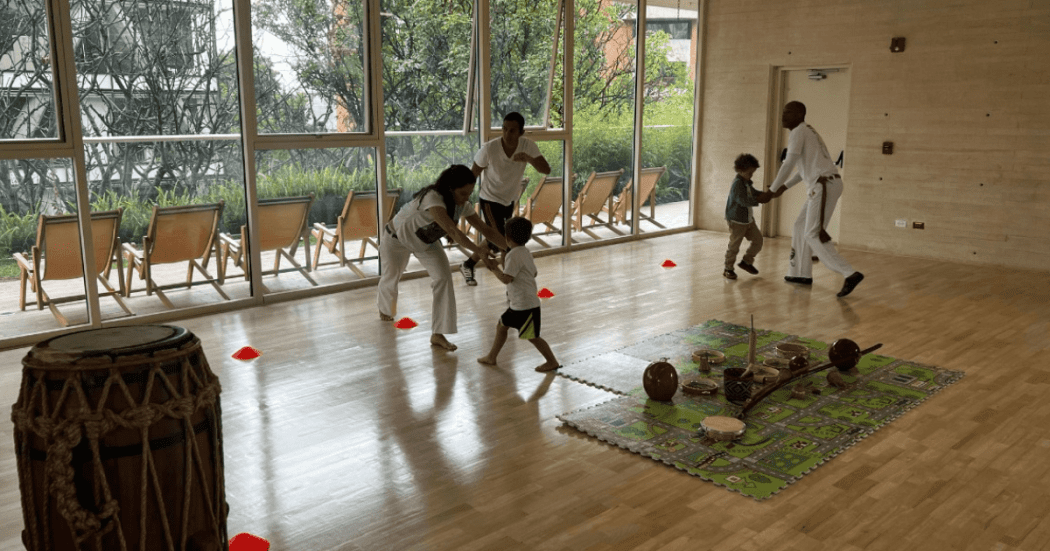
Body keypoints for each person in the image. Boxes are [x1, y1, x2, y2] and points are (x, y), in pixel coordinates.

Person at [377, 165, 507, 351]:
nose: (466, 198)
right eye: (463, 193)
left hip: (425, 243)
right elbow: (453, 231)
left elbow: (486, 230)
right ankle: (385, 308)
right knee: (391, 277)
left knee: (444, 278)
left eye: (469, 193)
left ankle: (438, 334)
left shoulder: (462, 205)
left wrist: (510, 249)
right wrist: (480, 251)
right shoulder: (433, 198)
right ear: (450, 188)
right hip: (395, 239)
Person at [768, 101, 864, 297]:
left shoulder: (799, 132)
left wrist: (771, 190)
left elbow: (788, 164)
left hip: (823, 185)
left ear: (799, 114)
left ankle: (849, 273)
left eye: (788, 112)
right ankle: (800, 273)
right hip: (823, 184)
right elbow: (802, 170)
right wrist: (783, 188)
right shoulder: (807, 132)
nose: (783, 116)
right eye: (783, 112)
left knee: (812, 234)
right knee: (799, 226)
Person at [460, 112, 551, 286]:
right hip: (489, 198)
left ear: (521, 132)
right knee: (502, 242)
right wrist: (463, 198)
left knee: (500, 238)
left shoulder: (528, 146)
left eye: (512, 130)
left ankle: (469, 263)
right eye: (505, 129)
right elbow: (473, 174)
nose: (508, 134)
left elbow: (546, 170)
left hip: (509, 199)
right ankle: (510, 284)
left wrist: (528, 158)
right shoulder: (489, 148)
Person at [477, 216, 560, 372]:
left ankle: (552, 361)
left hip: (524, 306)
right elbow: (533, 273)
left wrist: (494, 269)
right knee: (502, 326)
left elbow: (506, 279)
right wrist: (499, 264)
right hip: (521, 304)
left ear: (507, 238)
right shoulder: (525, 252)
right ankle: (491, 357)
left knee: (532, 336)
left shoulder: (513, 255)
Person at [724, 153, 772, 280]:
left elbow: (754, 192)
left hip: (748, 220)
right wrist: (759, 200)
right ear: (740, 170)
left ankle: (746, 261)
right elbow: (743, 201)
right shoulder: (737, 185)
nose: (751, 175)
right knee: (734, 245)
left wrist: (766, 194)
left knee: (758, 240)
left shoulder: (746, 182)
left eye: (753, 173)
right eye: (750, 173)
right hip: (737, 221)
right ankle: (728, 268)